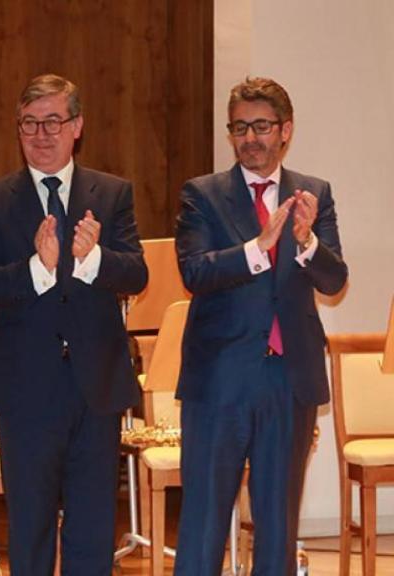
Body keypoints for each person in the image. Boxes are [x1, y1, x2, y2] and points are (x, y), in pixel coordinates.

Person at [0, 73, 148, 575]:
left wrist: (93, 260)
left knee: (93, 530)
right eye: (29, 123)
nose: (40, 134)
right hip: (25, 389)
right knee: (30, 528)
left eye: (53, 121)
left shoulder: (111, 193)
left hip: (97, 386)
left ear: (77, 126)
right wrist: (38, 268)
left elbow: (137, 272)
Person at [173, 77, 347, 574]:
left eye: (262, 126)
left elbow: (334, 280)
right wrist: (258, 247)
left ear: (285, 130)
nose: (250, 138)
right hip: (220, 383)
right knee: (204, 524)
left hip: (288, 381)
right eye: (240, 127)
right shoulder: (202, 195)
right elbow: (195, 272)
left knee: (277, 529)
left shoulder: (314, 194)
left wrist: (308, 241)